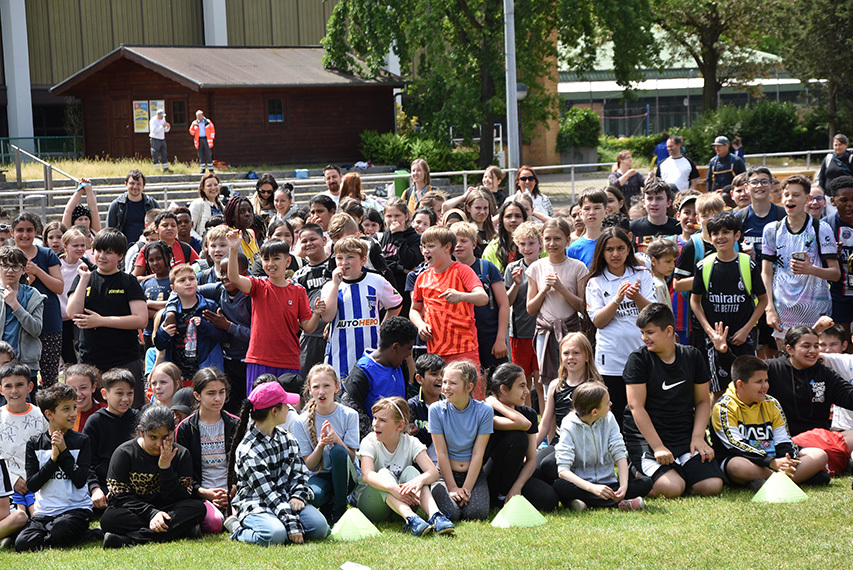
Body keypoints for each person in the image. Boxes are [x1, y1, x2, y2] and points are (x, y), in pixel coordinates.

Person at [623, 304, 723, 499]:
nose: (644, 338)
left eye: (650, 332)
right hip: (647, 438)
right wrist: (658, 447)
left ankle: (678, 470)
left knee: (711, 485)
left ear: (668, 331)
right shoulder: (638, 360)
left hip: (683, 435)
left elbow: (703, 401)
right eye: (642, 333)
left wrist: (698, 437)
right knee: (673, 488)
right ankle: (635, 468)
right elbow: (636, 407)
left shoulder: (692, 356)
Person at [223, 381, 328, 546]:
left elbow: (300, 474)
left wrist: (297, 495)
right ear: (274, 411)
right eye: (285, 405)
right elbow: (268, 494)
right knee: (275, 535)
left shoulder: (287, 438)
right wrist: (292, 524)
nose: (289, 408)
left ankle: (282, 524)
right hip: (257, 504)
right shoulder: (248, 450)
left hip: (286, 498)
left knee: (320, 528)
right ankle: (237, 528)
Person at [711, 355, 828, 491]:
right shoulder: (724, 407)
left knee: (819, 455)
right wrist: (772, 462)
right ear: (740, 385)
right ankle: (794, 478)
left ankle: (769, 481)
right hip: (745, 460)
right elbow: (735, 445)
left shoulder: (772, 403)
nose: (765, 386)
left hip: (775, 460)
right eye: (759, 382)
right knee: (737, 466)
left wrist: (788, 460)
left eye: (766, 380)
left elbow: (783, 439)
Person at [226, 231, 323, 392]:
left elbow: (308, 327)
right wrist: (233, 249)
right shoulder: (258, 285)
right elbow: (234, 278)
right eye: (266, 259)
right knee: (259, 404)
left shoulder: (298, 291)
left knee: (288, 404)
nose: (271, 263)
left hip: (289, 361)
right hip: (259, 359)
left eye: (276, 258)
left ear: (288, 261)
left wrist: (317, 313)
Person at [100, 405, 206, 548]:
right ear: (141, 432)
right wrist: (151, 514)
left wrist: (165, 468)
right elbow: (119, 497)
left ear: (172, 432)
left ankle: (131, 540)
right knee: (109, 519)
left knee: (197, 508)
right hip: (137, 511)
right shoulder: (124, 453)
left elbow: (182, 496)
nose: (158, 444)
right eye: (153, 437)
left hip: (169, 508)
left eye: (165, 438)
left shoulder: (181, 454)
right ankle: (182, 531)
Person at [691, 212, 768, 398]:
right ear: (710, 237)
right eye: (715, 233)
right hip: (716, 340)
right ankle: (718, 418)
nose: (720, 237)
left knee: (748, 388)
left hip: (744, 338)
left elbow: (763, 300)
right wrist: (710, 332)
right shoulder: (704, 266)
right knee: (719, 391)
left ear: (737, 235)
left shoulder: (748, 264)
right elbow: (695, 301)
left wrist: (746, 330)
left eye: (726, 232)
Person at [14, 383, 97, 552]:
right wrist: (53, 460)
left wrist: (64, 451)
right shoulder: (34, 443)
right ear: (49, 414)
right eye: (66, 409)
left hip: (76, 510)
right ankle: (82, 535)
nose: (73, 413)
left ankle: (54, 535)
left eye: (74, 407)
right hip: (45, 513)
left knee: (61, 528)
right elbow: (32, 485)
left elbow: (80, 480)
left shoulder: (82, 441)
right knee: (22, 543)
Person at [67, 229, 148, 402]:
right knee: (92, 411)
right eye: (98, 250)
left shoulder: (128, 281)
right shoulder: (84, 278)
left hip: (125, 359)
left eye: (108, 252)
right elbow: (72, 313)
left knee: (130, 410)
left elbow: (141, 319)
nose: (101, 256)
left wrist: (101, 321)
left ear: (120, 256)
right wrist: (84, 279)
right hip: (91, 361)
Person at [586, 227, 654, 429]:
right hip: (611, 357)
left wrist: (637, 297)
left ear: (629, 249)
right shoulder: (595, 281)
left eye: (620, 248)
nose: (615, 254)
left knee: (642, 406)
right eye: (609, 249)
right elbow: (598, 321)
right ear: (601, 252)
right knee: (614, 408)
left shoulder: (642, 274)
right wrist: (617, 299)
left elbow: (654, 313)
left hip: (641, 352)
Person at [354, 397, 454, 535]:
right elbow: (367, 475)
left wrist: (418, 481)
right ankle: (412, 519)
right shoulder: (369, 441)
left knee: (412, 472)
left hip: (402, 503)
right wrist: (393, 488)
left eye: (382, 420)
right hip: (372, 506)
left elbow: (433, 472)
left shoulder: (411, 442)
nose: (375, 424)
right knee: (383, 474)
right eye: (375, 418)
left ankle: (436, 516)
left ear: (400, 426)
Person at [761, 175, 839, 347]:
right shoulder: (772, 230)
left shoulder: (821, 228)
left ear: (807, 198)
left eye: (796, 195)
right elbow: (766, 272)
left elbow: (835, 274)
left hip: (815, 311)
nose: (790, 199)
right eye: (786, 194)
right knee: (785, 359)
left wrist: (811, 269)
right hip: (783, 310)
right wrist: (769, 308)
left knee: (813, 358)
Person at [766, 327, 853, 477]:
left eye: (816, 346)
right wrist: (725, 354)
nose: (813, 351)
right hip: (784, 443)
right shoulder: (771, 368)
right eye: (806, 346)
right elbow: (743, 375)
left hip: (819, 439)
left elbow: (848, 395)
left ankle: (820, 469)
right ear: (790, 349)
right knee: (820, 462)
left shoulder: (824, 373)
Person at [553, 382, 652, 511]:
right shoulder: (569, 424)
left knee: (646, 483)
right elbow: (563, 471)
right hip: (583, 485)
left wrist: (623, 486)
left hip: (609, 485)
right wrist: (593, 488)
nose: (610, 404)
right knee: (560, 485)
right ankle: (619, 503)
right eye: (607, 403)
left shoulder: (609, 418)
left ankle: (584, 502)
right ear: (594, 412)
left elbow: (619, 452)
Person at [320, 236, 402, 382]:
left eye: (350, 257)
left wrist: (382, 329)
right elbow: (327, 317)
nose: (344, 262)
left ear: (363, 260)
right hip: (340, 355)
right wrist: (335, 285)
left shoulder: (376, 280)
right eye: (339, 258)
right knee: (342, 391)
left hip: (371, 353)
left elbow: (395, 304)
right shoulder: (330, 286)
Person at [410, 225, 489, 368]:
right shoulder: (422, 277)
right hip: (435, 351)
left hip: (464, 348)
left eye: (431, 246)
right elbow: (414, 309)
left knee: (467, 383)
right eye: (424, 247)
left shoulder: (462, 270)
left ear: (447, 247)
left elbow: (483, 298)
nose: (426, 251)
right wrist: (420, 325)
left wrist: (461, 296)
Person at [483, 363, 559, 511]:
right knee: (518, 437)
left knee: (549, 499)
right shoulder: (486, 411)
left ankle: (507, 494)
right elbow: (523, 424)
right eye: (521, 386)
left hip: (514, 474)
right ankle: (499, 498)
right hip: (489, 475)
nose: (527, 391)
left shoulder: (529, 413)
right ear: (504, 389)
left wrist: (517, 487)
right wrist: (493, 403)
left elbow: (531, 460)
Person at [526, 218, 586, 402]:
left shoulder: (578, 267)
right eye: (548, 239)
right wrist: (544, 290)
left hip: (571, 329)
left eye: (557, 239)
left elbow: (582, 306)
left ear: (567, 240)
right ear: (542, 240)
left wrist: (561, 288)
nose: (552, 243)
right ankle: (550, 418)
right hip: (545, 331)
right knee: (548, 384)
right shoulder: (536, 267)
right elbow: (530, 309)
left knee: (575, 378)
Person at [293, 364, 359, 525]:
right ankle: (328, 503)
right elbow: (309, 465)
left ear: (337, 387)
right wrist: (321, 445)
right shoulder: (301, 421)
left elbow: (351, 457)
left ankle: (340, 509)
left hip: (346, 476)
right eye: (316, 387)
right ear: (310, 390)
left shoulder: (350, 415)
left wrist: (337, 439)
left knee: (338, 451)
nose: (321, 392)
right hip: (319, 475)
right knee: (314, 496)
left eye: (326, 386)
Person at [175, 368, 237, 535]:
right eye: (211, 393)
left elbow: (243, 465)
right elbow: (182, 472)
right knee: (214, 524)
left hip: (232, 492)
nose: (218, 398)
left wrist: (233, 489)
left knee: (241, 517)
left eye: (221, 392)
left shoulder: (235, 424)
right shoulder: (186, 428)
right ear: (197, 395)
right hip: (201, 494)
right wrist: (203, 492)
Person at [428, 360, 492, 522]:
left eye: (453, 383)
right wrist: (452, 487)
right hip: (444, 474)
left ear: (469, 387)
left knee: (476, 514)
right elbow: (441, 453)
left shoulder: (484, 411)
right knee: (451, 514)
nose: (446, 388)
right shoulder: (435, 410)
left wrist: (467, 489)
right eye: (444, 382)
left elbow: (478, 453)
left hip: (473, 474)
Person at [535, 333, 601, 483]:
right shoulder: (556, 385)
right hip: (559, 443)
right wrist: (531, 451)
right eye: (566, 353)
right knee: (532, 469)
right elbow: (545, 425)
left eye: (576, 353)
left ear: (587, 356)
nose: (570, 357)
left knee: (549, 465)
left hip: (582, 446)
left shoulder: (595, 387)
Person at [342, 316, 418, 440]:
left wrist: (408, 423)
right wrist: (380, 433)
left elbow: (404, 400)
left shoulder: (401, 366)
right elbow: (351, 411)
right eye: (408, 348)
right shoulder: (363, 371)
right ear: (395, 347)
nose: (409, 353)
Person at [452, 222, 509, 380]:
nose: (458, 245)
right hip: (462, 340)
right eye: (455, 241)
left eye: (463, 241)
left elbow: (504, 304)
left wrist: (500, 339)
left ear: (474, 244)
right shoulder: (447, 270)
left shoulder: (486, 268)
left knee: (497, 382)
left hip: (489, 336)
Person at [12, 212, 62, 387]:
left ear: (36, 232)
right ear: (12, 232)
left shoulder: (47, 254)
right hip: (17, 324)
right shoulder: (7, 256)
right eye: (20, 230)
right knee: (18, 377)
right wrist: (27, 280)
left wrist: (37, 271)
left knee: (50, 379)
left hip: (49, 322)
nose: (25, 235)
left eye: (29, 230)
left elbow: (59, 287)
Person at [82, 368, 139, 510]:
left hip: (135, 481)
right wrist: (94, 489)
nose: (125, 399)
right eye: (119, 393)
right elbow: (86, 462)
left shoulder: (139, 418)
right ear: (104, 394)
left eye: (130, 393)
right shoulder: (95, 422)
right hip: (105, 483)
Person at [155, 264, 225, 379]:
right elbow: (159, 344)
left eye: (192, 279)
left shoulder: (210, 307)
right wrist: (164, 334)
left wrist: (204, 325)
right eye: (182, 280)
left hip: (206, 370)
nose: (188, 283)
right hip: (178, 374)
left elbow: (223, 337)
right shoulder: (169, 314)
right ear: (173, 288)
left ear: (197, 282)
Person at [0, 363, 47, 518]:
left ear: (30, 387)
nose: (14, 391)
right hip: (7, 485)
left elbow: (48, 451)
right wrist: (13, 480)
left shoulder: (41, 416)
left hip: (38, 483)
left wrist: (34, 480)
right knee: (16, 516)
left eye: (19, 385)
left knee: (38, 515)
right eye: (8, 386)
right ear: (1, 390)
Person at [505, 221, 542, 406]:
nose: (527, 248)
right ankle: (528, 417)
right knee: (523, 381)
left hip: (543, 331)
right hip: (520, 333)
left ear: (540, 244)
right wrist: (516, 284)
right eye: (522, 244)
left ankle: (546, 417)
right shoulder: (512, 268)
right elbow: (507, 302)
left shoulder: (546, 266)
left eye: (531, 243)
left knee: (541, 380)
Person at [0, 246, 45, 378]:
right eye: (5, 266)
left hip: (26, 365)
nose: (10, 271)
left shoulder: (33, 295)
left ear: (24, 269)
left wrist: (15, 305)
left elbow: (36, 329)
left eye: (15, 266)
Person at [824, 176, 853, 330]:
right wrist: (829, 257)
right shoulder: (825, 226)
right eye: (844, 200)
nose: (850, 205)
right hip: (838, 296)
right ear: (833, 201)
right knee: (842, 338)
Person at [379, 197, 424, 295]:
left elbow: (409, 262)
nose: (393, 220)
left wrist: (398, 235)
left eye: (397, 216)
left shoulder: (415, 238)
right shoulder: (383, 237)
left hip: (405, 291)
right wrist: (402, 269)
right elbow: (381, 263)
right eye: (389, 216)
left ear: (406, 216)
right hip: (386, 290)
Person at [106, 170, 161, 244]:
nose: (135, 187)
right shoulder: (117, 205)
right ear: (126, 184)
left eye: (138, 184)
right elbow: (109, 231)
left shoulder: (152, 204)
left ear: (143, 186)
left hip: (148, 246)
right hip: (123, 247)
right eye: (132, 183)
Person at [629, 178, 680, 249]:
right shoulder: (632, 227)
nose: (654, 203)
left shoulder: (679, 228)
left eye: (659, 198)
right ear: (644, 203)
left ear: (668, 203)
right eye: (650, 198)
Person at [484, 200, 528, 274]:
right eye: (508, 216)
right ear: (502, 220)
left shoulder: (535, 244)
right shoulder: (492, 248)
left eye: (518, 216)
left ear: (524, 220)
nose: (513, 220)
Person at [567, 188, 607, 268]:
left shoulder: (612, 243)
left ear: (606, 212)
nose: (592, 212)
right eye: (587, 209)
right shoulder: (573, 248)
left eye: (597, 208)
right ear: (581, 214)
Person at [64, 364, 105, 432]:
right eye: (72, 389)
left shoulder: (105, 412)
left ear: (93, 387)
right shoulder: (60, 413)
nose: (78, 394)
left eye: (83, 388)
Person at [647, 238, 678, 311]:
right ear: (653, 261)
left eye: (674, 261)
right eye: (668, 261)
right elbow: (662, 313)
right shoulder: (658, 285)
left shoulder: (659, 280)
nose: (672, 266)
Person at [189, 110, 216, 174]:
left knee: (208, 154)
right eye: (197, 116)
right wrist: (192, 127)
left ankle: (211, 169)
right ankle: (202, 169)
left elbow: (212, 130)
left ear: (203, 115)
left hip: (207, 139)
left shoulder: (208, 122)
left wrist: (211, 138)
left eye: (199, 116)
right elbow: (192, 132)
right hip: (199, 140)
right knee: (200, 155)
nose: (198, 117)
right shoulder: (194, 123)